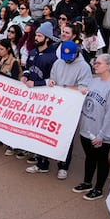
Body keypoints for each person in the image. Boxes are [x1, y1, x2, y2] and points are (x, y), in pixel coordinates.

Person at [31, 41, 92, 178]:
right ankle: (42, 162)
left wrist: (64, 88)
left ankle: (63, 166)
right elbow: (52, 78)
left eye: (70, 57)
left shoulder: (84, 67)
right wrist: (52, 82)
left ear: (76, 53)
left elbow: (84, 88)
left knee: (66, 136)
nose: (68, 60)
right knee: (46, 132)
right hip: (55, 104)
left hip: (70, 107)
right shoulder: (58, 63)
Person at [74, 54, 110, 200]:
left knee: (101, 160)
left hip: (100, 134)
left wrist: (103, 135)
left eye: (98, 63)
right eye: (95, 63)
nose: (95, 65)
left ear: (109, 66)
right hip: (87, 128)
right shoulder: (94, 81)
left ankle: (98, 189)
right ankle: (87, 182)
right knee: (89, 157)